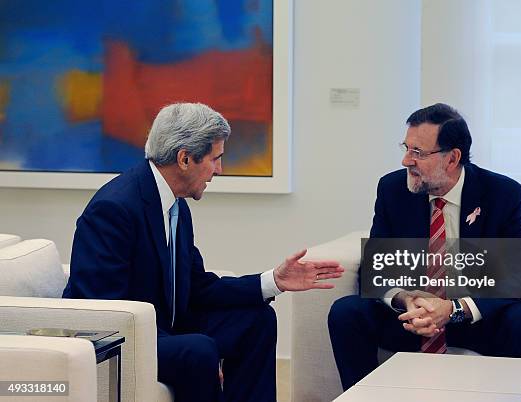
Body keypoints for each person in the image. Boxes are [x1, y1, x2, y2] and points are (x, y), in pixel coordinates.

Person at [63, 102, 344, 402]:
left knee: (257, 320)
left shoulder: (175, 205)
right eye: (215, 158)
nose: (219, 170)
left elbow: (197, 286)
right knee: (198, 349)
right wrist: (179, 343)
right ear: (185, 159)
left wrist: (273, 281)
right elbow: (105, 311)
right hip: (125, 338)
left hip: (165, 328)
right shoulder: (114, 209)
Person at [327, 103, 521, 391]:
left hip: (475, 319)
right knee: (347, 312)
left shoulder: (501, 193)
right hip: (411, 321)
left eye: (418, 153)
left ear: (452, 158)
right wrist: (404, 299)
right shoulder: (393, 190)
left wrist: (453, 309)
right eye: (406, 148)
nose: (405, 161)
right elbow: (377, 269)